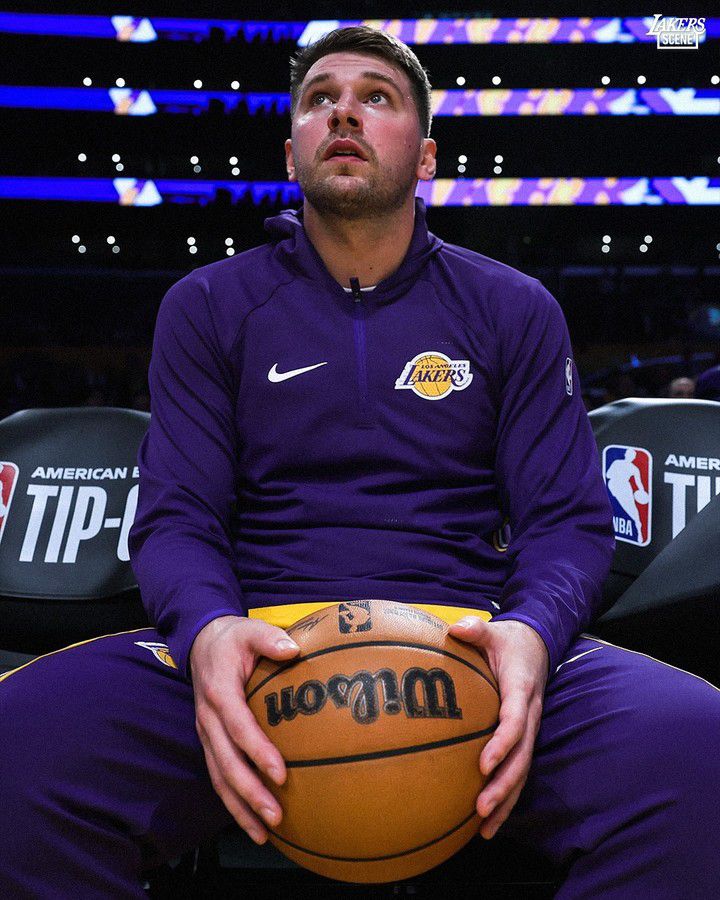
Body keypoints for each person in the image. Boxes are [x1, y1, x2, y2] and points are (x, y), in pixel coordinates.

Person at [1, 26, 719, 899]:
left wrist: (531, 631)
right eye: (319, 99)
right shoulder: (207, 305)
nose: (343, 111)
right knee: (15, 745)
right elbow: (179, 517)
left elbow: (566, 522)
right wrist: (209, 630)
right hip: (262, 644)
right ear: (292, 150)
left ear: (426, 156)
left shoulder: (515, 308)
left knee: (700, 747)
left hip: (471, 643)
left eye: (376, 96)